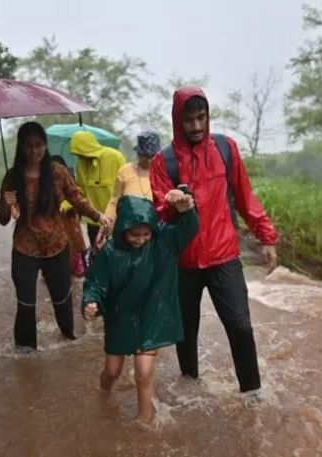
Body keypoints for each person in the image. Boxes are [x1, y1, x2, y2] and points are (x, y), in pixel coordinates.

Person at [149, 86, 279, 395]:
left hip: (224, 255)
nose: (196, 127)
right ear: (177, 121)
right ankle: (190, 388)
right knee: (185, 332)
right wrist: (172, 204)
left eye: (201, 118)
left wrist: (266, 236)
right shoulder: (163, 161)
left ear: (208, 116)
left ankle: (253, 395)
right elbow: (158, 212)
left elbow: (246, 198)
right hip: (183, 261)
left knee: (240, 326)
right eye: (189, 120)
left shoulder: (225, 149)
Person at [82, 191, 198, 423]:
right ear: (123, 228)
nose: (141, 239)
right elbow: (96, 282)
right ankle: (103, 394)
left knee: (144, 374)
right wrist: (90, 302)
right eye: (135, 234)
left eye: (146, 234)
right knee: (112, 372)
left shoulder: (162, 241)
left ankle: (144, 423)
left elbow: (188, 229)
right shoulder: (110, 252)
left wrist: (186, 210)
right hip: (120, 316)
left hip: (151, 314)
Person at [0, 122, 110, 351]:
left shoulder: (57, 172)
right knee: (26, 304)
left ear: (45, 145)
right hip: (24, 249)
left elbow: (77, 198)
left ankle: (69, 340)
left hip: (56, 246)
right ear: (21, 147)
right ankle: (25, 354)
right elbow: (2, 218)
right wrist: (6, 203)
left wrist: (98, 216)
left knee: (62, 300)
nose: (34, 151)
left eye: (39, 145)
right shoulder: (12, 177)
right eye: (29, 146)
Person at [69, 130, 125, 248]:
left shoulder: (115, 157)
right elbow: (80, 191)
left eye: (80, 153)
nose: (78, 156)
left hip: (116, 220)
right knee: (97, 258)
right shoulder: (80, 165)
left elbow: (126, 187)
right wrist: (66, 205)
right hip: (94, 221)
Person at [104, 131, 160, 230]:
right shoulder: (125, 171)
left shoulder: (164, 172)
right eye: (145, 156)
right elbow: (114, 200)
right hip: (128, 228)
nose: (149, 160)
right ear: (138, 153)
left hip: (155, 227)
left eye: (152, 156)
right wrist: (108, 221)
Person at [50, 155, 87, 277]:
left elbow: (78, 198)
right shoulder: (45, 184)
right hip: (55, 224)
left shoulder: (70, 180)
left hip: (70, 222)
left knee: (74, 248)